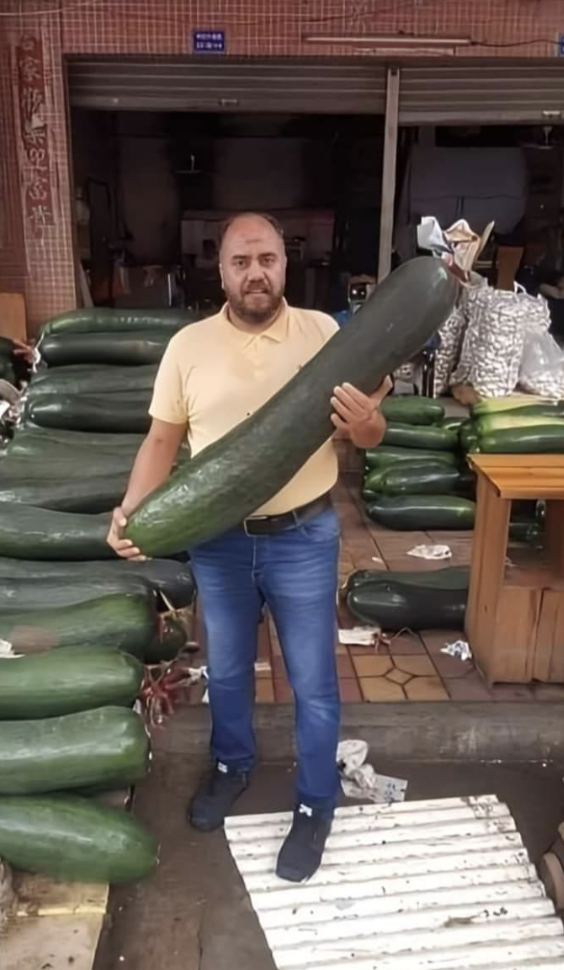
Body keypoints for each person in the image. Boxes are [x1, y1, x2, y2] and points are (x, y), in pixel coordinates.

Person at [107, 213, 388, 882]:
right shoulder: (189, 346)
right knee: (228, 674)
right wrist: (131, 512)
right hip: (219, 541)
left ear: (284, 265)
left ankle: (317, 802)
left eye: (267, 258)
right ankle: (232, 767)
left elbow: (372, 434)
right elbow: (161, 443)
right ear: (222, 270)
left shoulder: (327, 336)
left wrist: (369, 425)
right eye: (241, 261)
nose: (255, 271)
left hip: (304, 535)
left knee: (315, 684)